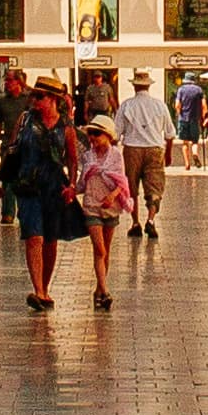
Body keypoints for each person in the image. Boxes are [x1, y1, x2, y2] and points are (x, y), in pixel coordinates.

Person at [0, 86, 82, 312]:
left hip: (54, 186)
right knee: (34, 236)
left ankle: (45, 288)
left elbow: (73, 159)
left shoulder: (66, 127)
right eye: (33, 96)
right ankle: (37, 290)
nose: (34, 100)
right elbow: (12, 149)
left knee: (51, 240)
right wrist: (3, 178)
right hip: (28, 185)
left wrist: (72, 185)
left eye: (39, 96)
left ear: (53, 99)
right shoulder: (25, 120)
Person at [68, 119, 133, 306]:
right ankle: (105, 291)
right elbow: (82, 182)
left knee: (106, 250)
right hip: (91, 206)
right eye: (90, 134)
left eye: (97, 134)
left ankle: (99, 289)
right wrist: (72, 190)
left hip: (110, 208)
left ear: (108, 136)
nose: (92, 138)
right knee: (99, 248)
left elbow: (122, 182)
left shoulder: (116, 156)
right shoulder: (88, 156)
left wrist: (112, 196)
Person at [111, 61, 175, 239]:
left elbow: (116, 134)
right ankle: (151, 220)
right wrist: (168, 153)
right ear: (149, 86)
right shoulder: (160, 105)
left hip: (132, 149)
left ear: (134, 86)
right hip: (155, 148)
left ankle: (135, 223)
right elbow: (170, 133)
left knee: (132, 188)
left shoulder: (126, 105)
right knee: (154, 186)